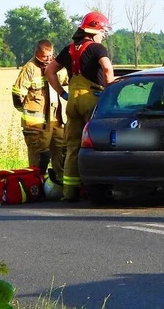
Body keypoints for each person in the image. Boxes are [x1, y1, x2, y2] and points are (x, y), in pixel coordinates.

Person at [45, 12, 115, 201]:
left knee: (73, 147)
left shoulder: (68, 50)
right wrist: (110, 92)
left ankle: (69, 192)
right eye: (102, 32)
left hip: (72, 102)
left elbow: (50, 71)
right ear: (93, 31)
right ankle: (95, 189)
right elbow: (107, 68)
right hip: (91, 99)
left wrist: (62, 93)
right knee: (96, 144)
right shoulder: (97, 48)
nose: (103, 35)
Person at [11, 40, 69, 183]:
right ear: (36, 53)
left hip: (56, 121)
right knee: (39, 159)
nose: (48, 59)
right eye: (45, 56)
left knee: (61, 152)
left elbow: (67, 79)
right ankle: (35, 186)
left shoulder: (56, 67)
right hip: (36, 125)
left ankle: (60, 185)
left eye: (50, 56)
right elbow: (17, 94)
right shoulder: (30, 68)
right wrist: (26, 111)